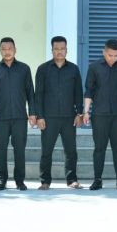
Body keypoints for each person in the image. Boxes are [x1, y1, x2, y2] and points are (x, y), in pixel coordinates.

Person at [0, 37, 36, 191]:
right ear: (0, 50)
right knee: (1, 150)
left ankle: (20, 181)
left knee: (19, 150)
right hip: (0, 118)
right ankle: (2, 180)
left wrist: (32, 113)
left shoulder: (24, 69)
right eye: (4, 49)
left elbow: (30, 92)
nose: (7, 52)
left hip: (20, 117)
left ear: (15, 50)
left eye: (10, 49)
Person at [34, 36, 83, 190]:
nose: (59, 52)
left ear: (66, 50)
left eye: (62, 49)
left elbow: (78, 93)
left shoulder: (73, 69)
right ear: (52, 50)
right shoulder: (43, 69)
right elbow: (38, 95)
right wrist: (39, 116)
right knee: (46, 151)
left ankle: (72, 180)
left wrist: (79, 113)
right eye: (56, 49)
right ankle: (45, 181)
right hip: (49, 118)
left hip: (69, 117)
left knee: (71, 151)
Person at [83, 39, 117, 191]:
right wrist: (86, 111)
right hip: (99, 115)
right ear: (104, 52)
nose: (113, 58)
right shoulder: (94, 67)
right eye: (110, 55)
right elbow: (89, 90)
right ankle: (97, 180)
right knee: (99, 149)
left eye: (116, 55)